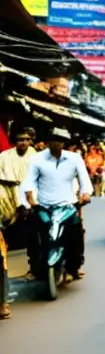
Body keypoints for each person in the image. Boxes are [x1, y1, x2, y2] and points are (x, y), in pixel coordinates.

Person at [21, 128, 93, 281]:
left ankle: (75, 266)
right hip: (43, 206)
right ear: (48, 142)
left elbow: (84, 180)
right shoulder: (37, 159)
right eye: (53, 139)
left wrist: (85, 194)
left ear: (64, 142)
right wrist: (30, 199)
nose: (56, 143)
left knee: (76, 230)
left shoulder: (74, 158)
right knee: (32, 231)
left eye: (60, 140)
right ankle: (34, 267)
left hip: (67, 205)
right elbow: (29, 182)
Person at [0, 127, 35, 319]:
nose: (23, 143)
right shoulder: (4, 157)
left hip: (30, 201)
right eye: (20, 139)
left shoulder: (36, 157)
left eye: (26, 139)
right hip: (7, 198)